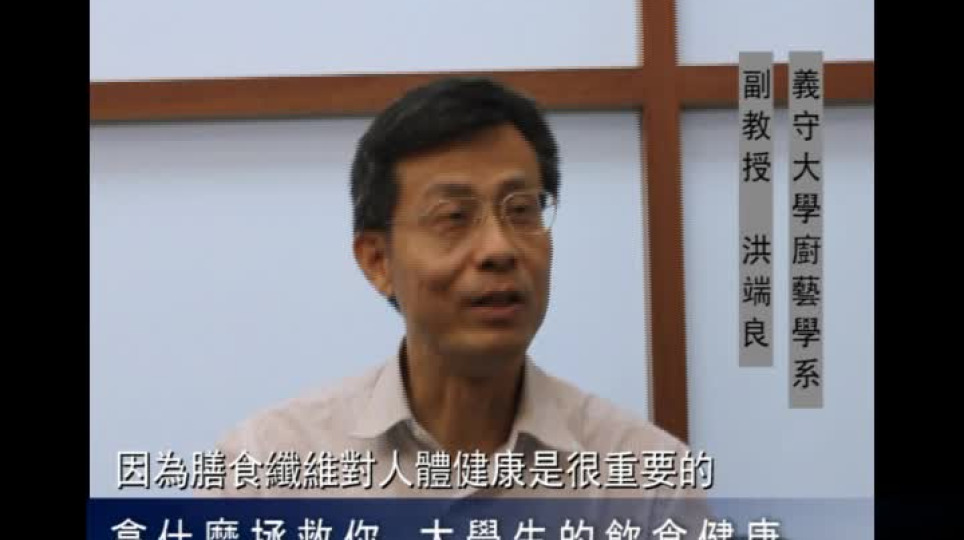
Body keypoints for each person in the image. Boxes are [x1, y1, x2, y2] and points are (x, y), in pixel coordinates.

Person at [207, 78, 708, 526]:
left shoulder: (647, 483)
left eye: (522, 210)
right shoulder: (269, 471)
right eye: (453, 216)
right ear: (378, 260)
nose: (499, 249)